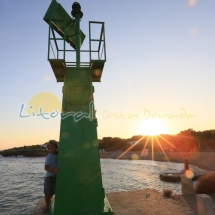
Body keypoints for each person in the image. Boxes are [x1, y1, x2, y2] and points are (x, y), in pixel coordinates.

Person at [43, 140, 60, 213]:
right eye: (50, 148)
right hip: (49, 177)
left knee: (51, 193)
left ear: (56, 147)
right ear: (48, 149)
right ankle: (47, 207)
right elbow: (46, 168)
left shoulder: (58, 154)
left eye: (53, 147)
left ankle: (49, 204)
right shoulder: (49, 157)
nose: (51, 149)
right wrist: (53, 170)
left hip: (54, 176)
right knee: (47, 193)